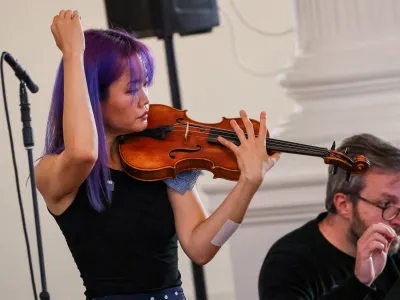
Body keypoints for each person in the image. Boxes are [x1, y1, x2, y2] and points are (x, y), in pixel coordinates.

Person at [35, 9, 280, 300]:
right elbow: (84, 154)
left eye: (146, 85)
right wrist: (73, 54)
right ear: (93, 96)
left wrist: (248, 184)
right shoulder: (54, 170)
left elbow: (202, 248)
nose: (146, 99)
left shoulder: (161, 156)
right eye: (132, 89)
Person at [258, 133, 400, 300]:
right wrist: (359, 284)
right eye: (385, 205)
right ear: (344, 205)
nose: (398, 219)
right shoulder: (287, 263)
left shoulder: (393, 249)